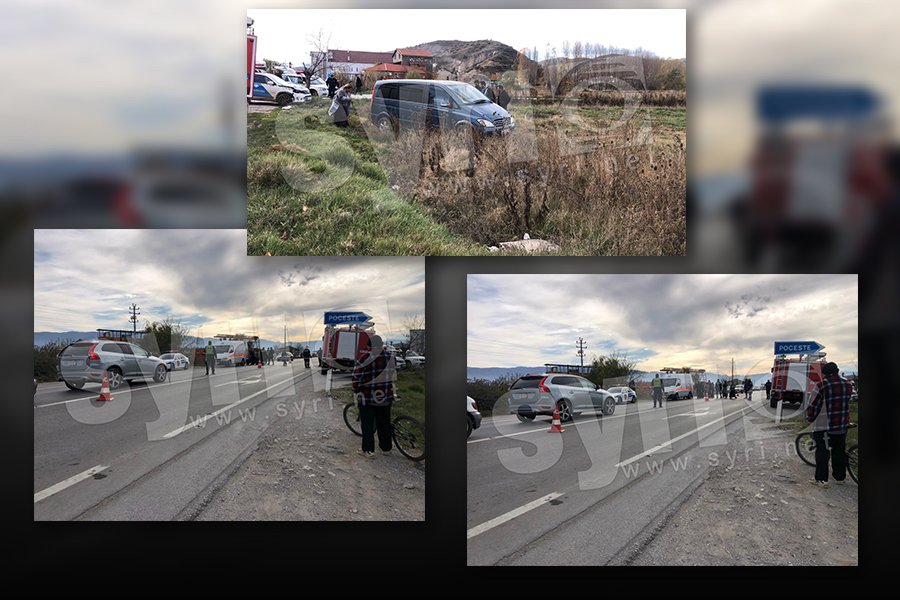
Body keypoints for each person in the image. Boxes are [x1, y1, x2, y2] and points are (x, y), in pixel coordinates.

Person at [805, 362, 853, 487]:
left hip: (823, 426)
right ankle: (839, 478)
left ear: (824, 373)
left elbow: (813, 405)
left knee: (823, 451)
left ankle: (821, 480)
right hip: (841, 424)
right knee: (839, 450)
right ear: (837, 371)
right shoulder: (848, 384)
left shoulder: (821, 385)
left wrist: (810, 418)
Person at [352, 335, 396, 458]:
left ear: (368, 346)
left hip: (368, 398)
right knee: (384, 423)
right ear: (382, 344)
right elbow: (392, 373)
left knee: (367, 424)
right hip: (386, 396)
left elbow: (356, 378)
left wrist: (356, 390)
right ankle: (386, 448)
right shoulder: (391, 357)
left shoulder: (364, 358)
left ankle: (368, 450)